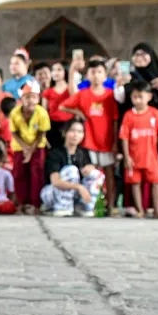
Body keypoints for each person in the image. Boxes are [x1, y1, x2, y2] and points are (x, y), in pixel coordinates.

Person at [119, 43, 158, 216]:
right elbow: (120, 99)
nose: (139, 57)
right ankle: (136, 207)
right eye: (136, 54)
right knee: (135, 173)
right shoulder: (129, 78)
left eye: (144, 54)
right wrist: (120, 84)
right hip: (136, 132)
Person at [60, 59, 118, 208]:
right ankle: (89, 205)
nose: (96, 75)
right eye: (93, 72)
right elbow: (63, 106)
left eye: (99, 72)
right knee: (90, 174)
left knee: (109, 174)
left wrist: (115, 142)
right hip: (89, 142)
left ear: (105, 75)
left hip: (107, 141)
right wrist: (78, 112)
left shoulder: (111, 95)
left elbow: (115, 120)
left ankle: (111, 206)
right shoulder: (83, 94)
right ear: (87, 75)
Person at [119, 82, 158, 218]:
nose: (137, 100)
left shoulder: (155, 113)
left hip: (152, 156)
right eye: (134, 97)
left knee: (157, 182)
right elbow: (124, 137)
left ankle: (157, 210)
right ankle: (140, 210)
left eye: (140, 96)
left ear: (149, 97)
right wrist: (127, 156)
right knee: (135, 183)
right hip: (134, 157)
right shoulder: (128, 115)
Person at [40, 119, 105, 217]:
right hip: (52, 193)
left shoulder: (83, 153)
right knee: (71, 170)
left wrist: (91, 168)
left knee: (96, 174)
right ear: (64, 133)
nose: (76, 135)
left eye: (80, 132)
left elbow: (90, 174)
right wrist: (79, 187)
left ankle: (83, 207)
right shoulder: (56, 153)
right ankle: (62, 207)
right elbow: (55, 182)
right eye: (72, 131)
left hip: (75, 194)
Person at [9, 79, 50, 212]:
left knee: (36, 175)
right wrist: (25, 148)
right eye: (27, 97)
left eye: (33, 97)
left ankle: (36, 205)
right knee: (19, 174)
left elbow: (42, 133)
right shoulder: (15, 113)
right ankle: (21, 204)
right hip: (19, 147)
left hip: (37, 147)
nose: (30, 100)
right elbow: (14, 132)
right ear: (21, 99)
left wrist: (31, 150)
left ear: (38, 98)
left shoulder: (42, 113)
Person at [43, 61, 73, 145]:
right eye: (53, 70)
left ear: (65, 71)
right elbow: (44, 112)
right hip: (52, 125)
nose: (56, 72)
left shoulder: (71, 89)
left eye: (59, 70)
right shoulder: (48, 92)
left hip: (69, 124)